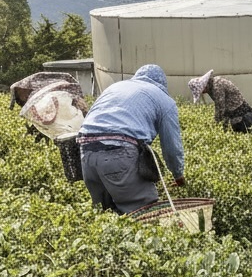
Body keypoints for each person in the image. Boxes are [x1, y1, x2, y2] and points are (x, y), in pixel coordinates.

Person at [76, 64, 185, 214]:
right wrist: (178, 174)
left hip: (86, 154)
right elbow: (172, 147)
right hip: (118, 153)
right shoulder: (164, 99)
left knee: (104, 214)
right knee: (144, 212)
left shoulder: (116, 87)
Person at [188, 70, 252, 132]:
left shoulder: (216, 87)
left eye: (201, 91)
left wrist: (216, 125)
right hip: (236, 112)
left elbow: (221, 108)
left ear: (204, 86)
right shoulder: (212, 84)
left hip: (240, 114)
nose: (203, 93)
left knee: (250, 131)